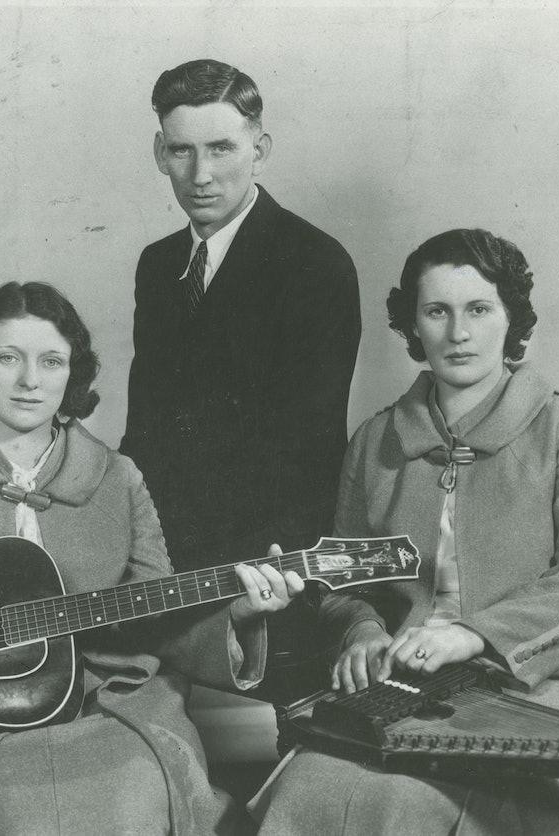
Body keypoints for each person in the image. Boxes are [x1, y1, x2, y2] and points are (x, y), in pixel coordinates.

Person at [0, 281, 303, 835]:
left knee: (130, 809)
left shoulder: (118, 477)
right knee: (11, 816)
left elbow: (156, 619)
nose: (29, 381)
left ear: (73, 374)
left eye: (51, 361)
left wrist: (238, 616)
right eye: (7, 358)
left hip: (111, 709)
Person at [249, 229, 559, 835]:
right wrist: (362, 633)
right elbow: (350, 585)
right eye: (437, 311)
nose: (458, 333)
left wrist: (475, 636)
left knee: (410, 803)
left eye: (479, 309)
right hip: (410, 686)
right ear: (413, 326)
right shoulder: (376, 442)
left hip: (547, 689)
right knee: (306, 788)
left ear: (512, 320)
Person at [120, 59, 361, 691]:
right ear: (159, 152)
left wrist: (198, 586)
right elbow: (143, 432)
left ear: (261, 149)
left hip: (270, 562)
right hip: (163, 553)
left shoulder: (316, 264)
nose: (201, 175)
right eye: (182, 151)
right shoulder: (158, 264)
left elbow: (305, 457)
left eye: (222, 148)